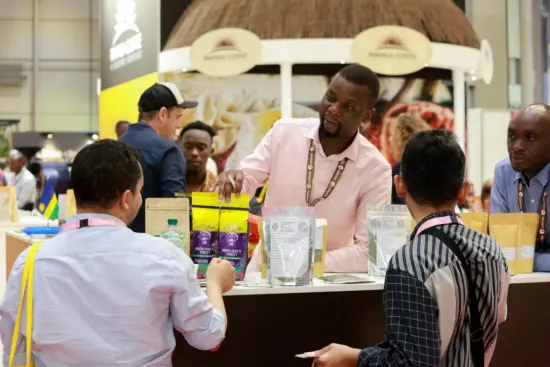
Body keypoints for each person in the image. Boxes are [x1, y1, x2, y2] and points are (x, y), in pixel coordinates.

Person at [0, 139, 236, 366]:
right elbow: (208, 338)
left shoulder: (31, 261)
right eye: (140, 191)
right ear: (126, 199)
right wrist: (214, 283)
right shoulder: (164, 256)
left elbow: (14, 345)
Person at [308, 130, 509, 367]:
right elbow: (499, 316)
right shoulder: (492, 250)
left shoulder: (410, 260)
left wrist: (353, 357)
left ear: (400, 185)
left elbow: (410, 363)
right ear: (464, 190)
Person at [214, 64, 392, 273]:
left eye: (348, 107)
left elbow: (370, 253)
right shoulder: (284, 133)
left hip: (327, 286)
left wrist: (302, 260)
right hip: (264, 277)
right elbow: (246, 181)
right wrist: (234, 181)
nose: (334, 109)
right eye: (331, 98)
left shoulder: (376, 169)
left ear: (367, 117)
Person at [119, 82, 197, 232]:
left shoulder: (112, 147)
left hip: (114, 246)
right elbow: (175, 208)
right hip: (152, 249)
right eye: (177, 117)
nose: (179, 125)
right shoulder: (169, 152)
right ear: (162, 114)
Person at [491, 103, 550, 271]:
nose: (517, 146)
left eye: (530, 138)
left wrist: (525, 261)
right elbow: (500, 247)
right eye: (511, 136)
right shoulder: (503, 172)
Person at [389, 113, 430, 204]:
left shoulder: (399, 170)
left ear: (400, 138)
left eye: (392, 134)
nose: (390, 139)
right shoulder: (434, 166)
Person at [179, 121, 217, 192]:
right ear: (179, 149)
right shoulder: (163, 183)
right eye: (188, 147)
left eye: (201, 148)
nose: (194, 153)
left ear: (211, 152)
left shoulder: (218, 188)